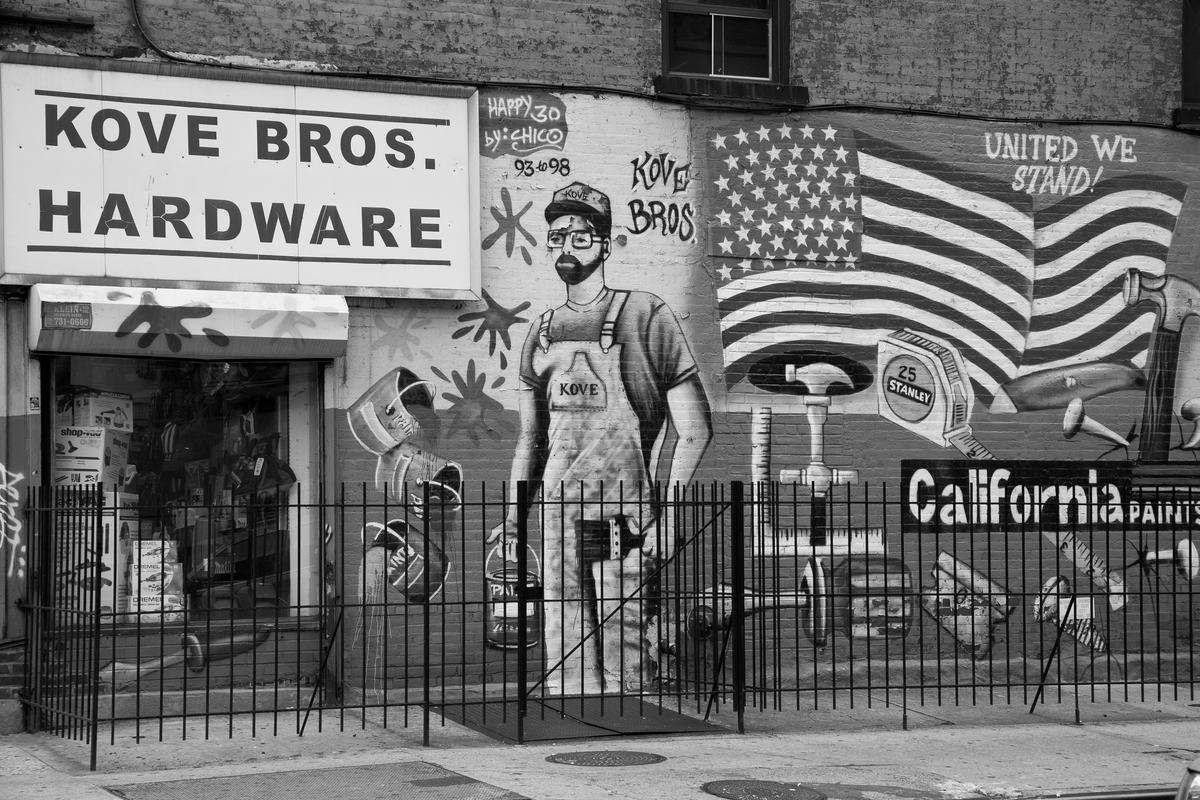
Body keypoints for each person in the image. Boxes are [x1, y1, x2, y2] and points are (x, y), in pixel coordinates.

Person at [489, 181, 712, 694]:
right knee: (565, 660)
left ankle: (630, 716)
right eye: (556, 235)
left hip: (624, 515)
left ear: (605, 243)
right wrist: (512, 519)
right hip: (556, 512)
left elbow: (695, 430)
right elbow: (530, 441)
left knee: (625, 643)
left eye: (580, 235)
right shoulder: (539, 332)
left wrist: (669, 519)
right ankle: (574, 717)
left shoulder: (645, 316)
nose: (566, 245)